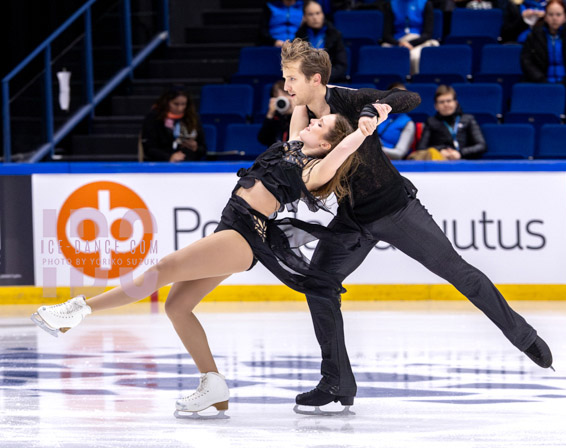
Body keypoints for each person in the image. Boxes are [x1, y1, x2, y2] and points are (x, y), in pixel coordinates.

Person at [30, 95, 393, 418]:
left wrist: (364, 128)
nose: (313, 121)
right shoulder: (294, 145)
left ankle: (77, 310)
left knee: (165, 268)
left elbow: (345, 149)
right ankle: (213, 385)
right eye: (315, 119)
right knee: (177, 305)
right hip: (230, 224)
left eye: (321, 125)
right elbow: (299, 102)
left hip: (248, 234)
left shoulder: (316, 169)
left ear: (328, 142)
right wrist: (298, 81)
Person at [280, 38, 554, 413]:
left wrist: (378, 107)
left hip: (396, 209)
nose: (286, 86)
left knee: (459, 272)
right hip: (352, 219)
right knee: (318, 284)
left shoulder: (346, 99)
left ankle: (525, 336)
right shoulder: (303, 117)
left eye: (292, 78)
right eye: (284, 77)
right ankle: (337, 380)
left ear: (315, 79)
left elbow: (408, 98)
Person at [417, 85, 486, 160]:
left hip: (465, 162)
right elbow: (421, 149)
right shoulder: (430, 122)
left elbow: (481, 146)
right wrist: (440, 150)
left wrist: (460, 153)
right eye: (441, 102)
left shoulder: (468, 119)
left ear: (456, 103)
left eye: (449, 101)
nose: (446, 105)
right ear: (436, 106)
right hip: (439, 163)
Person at [141, 86, 207, 162]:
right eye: (176, 104)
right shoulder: (154, 117)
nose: (180, 108)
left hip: (189, 164)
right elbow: (149, 148)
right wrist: (169, 157)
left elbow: (203, 149)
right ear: (167, 102)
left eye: (183, 104)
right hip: (161, 164)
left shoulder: (192, 117)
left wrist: (196, 148)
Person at [295, 0, 348, 83]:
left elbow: (341, 65)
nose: (315, 17)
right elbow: (295, 63)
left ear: (323, 14)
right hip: (306, 81)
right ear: (304, 17)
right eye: (310, 14)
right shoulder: (299, 37)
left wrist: (324, 77)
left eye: (318, 13)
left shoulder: (335, 35)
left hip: (330, 80)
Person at [382, 0, 440, 74]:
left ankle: (414, 82)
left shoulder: (425, 3)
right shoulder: (391, 4)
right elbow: (386, 35)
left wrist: (411, 44)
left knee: (414, 57)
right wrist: (399, 43)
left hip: (418, 41)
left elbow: (428, 33)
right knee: (385, 52)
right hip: (398, 41)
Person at [378, 82, 416, 160]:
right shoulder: (375, 116)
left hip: (392, 163)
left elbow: (399, 153)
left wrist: (375, 150)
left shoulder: (408, 123)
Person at [258, 80, 294, 147]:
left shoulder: (300, 116)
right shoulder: (275, 118)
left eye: (287, 95)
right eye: (280, 98)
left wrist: (294, 113)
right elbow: (263, 139)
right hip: (276, 155)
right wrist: (270, 114)